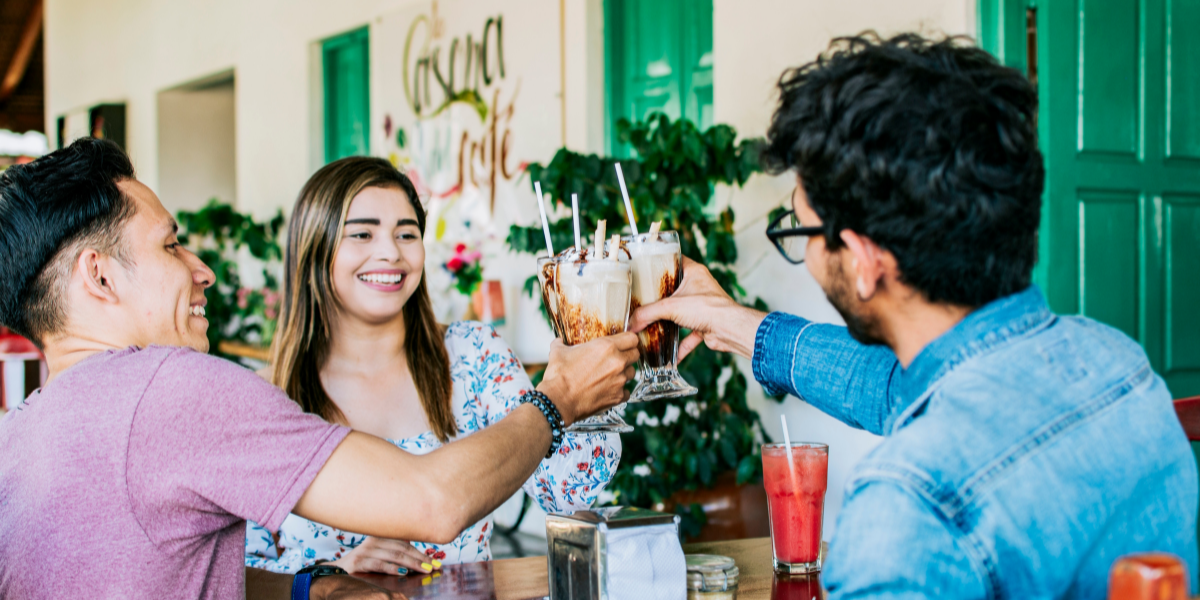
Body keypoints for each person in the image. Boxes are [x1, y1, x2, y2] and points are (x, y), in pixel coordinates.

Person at [630, 33, 1198, 599]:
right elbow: (893, 387)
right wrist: (730, 321)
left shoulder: (909, 508)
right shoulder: (1119, 362)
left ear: (864, 260)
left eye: (800, 230)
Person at [0, 138, 639, 599]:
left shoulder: (17, 433)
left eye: (406, 230)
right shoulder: (178, 390)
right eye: (171, 244)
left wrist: (316, 586)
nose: (204, 269)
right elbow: (434, 501)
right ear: (100, 276)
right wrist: (557, 397)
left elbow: (192, 575)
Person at [243, 157, 621, 575]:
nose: (390, 252)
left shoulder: (474, 356)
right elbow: (235, 572)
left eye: (407, 233)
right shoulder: (265, 400)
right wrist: (331, 573)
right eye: (363, 234)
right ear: (315, 248)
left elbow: (569, 492)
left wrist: (589, 376)